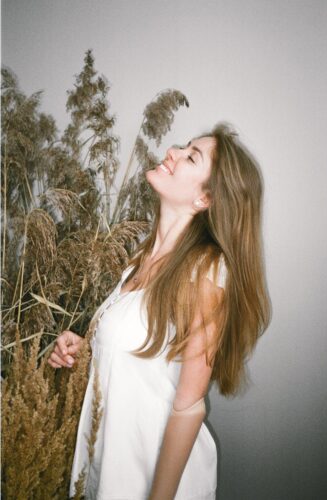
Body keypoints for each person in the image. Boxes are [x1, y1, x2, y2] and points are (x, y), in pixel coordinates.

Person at [48, 122, 271, 499]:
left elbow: (189, 407)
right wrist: (82, 348)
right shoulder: (139, 258)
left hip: (153, 483)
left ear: (205, 199)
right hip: (110, 466)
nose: (173, 150)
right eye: (183, 146)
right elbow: (143, 362)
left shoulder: (207, 273)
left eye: (190, 156)